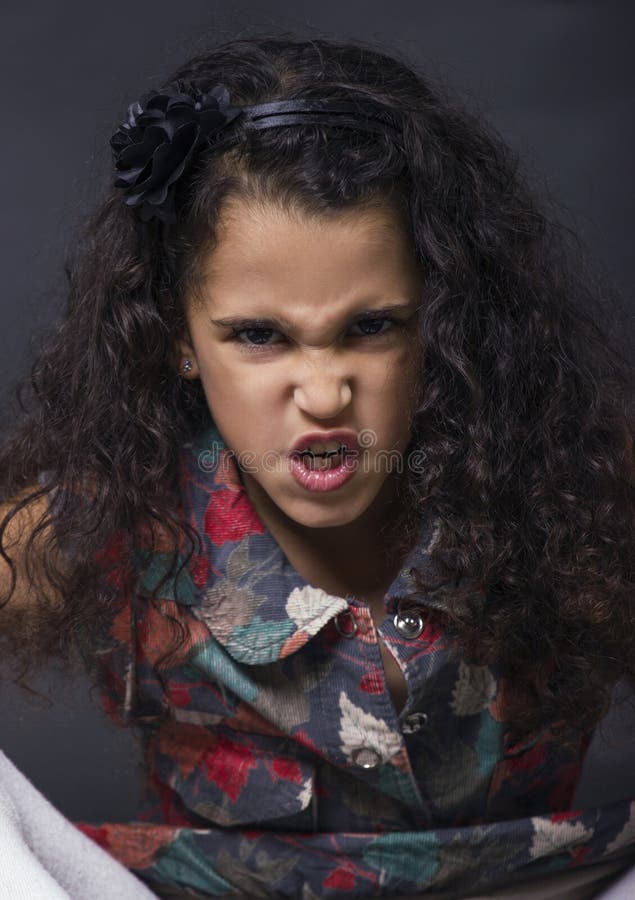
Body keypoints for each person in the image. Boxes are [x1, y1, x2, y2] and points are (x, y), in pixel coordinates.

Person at [0, 34, 634, 900]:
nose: (324, 393)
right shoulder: (105, 518)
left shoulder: (574, 482)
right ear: (179, 337)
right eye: (259, 336)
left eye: (371, 327)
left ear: (441, 320)